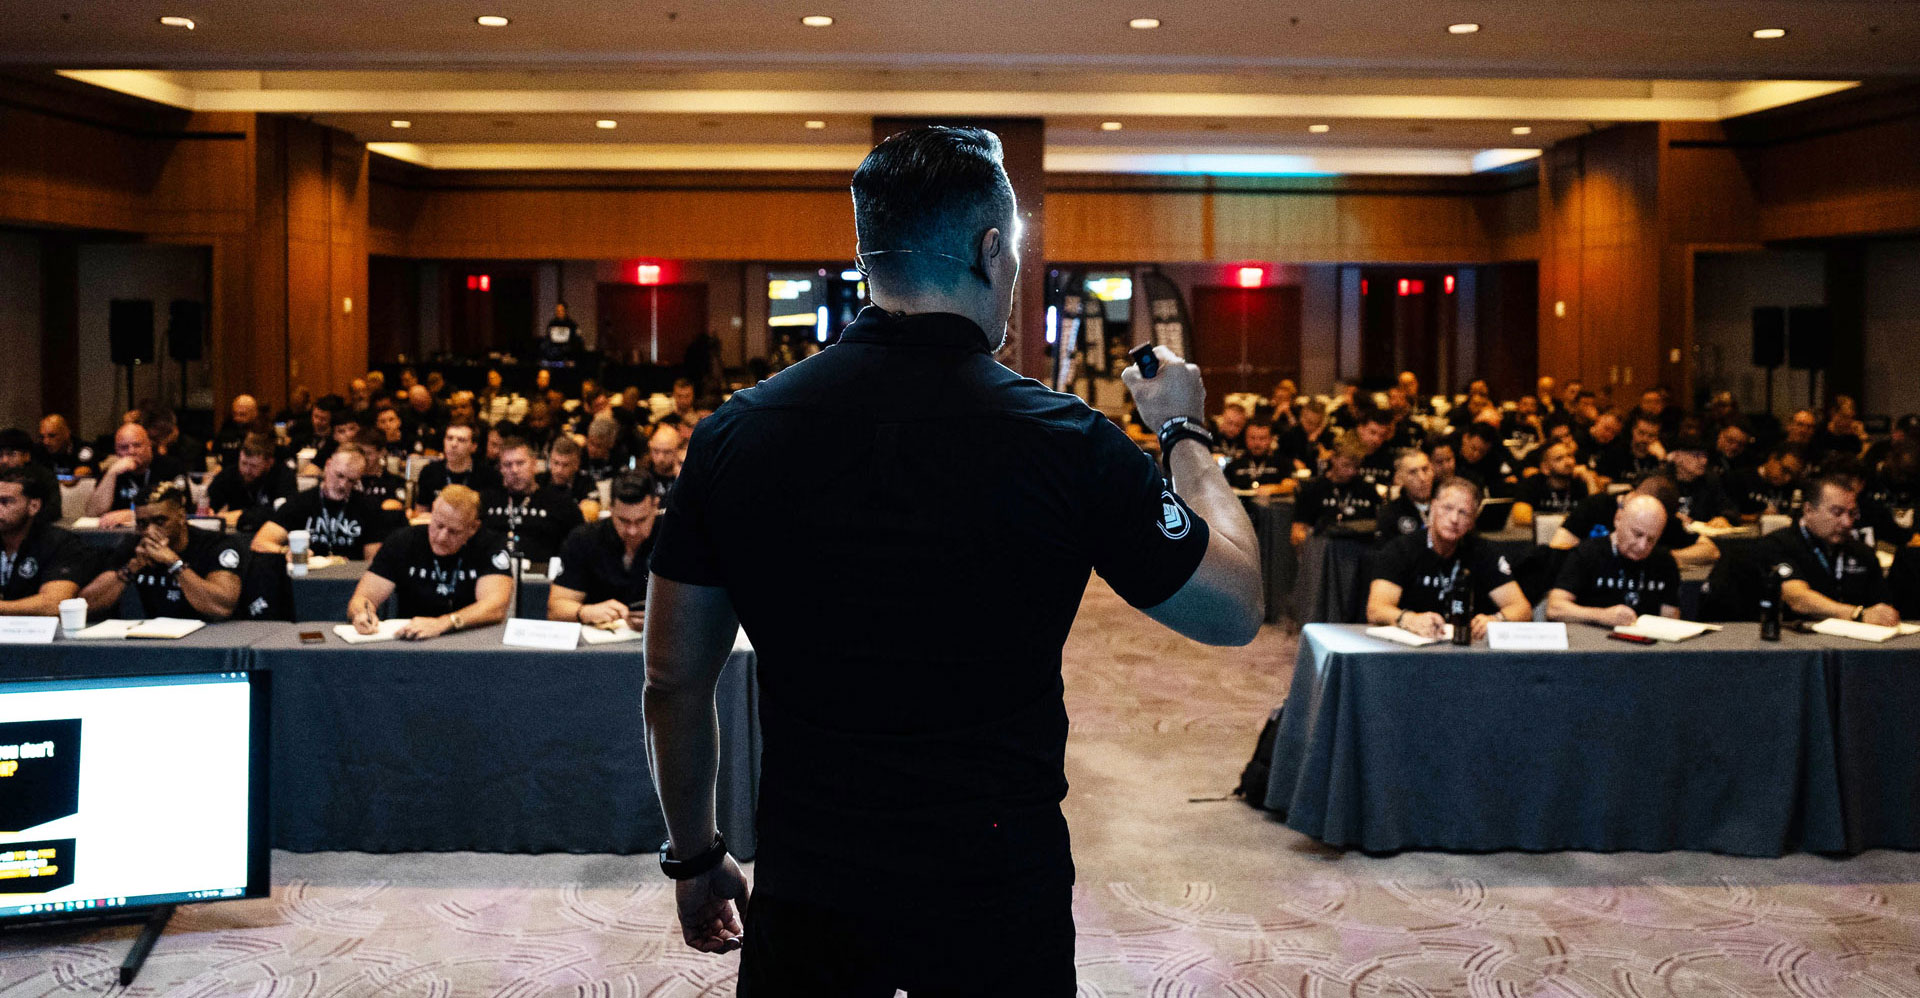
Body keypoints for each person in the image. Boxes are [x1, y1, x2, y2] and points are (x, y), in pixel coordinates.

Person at [642, 126, 1261, 990]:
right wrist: (1183, 430)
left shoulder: (735, 436)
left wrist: (695, 853)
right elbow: (1235, 607)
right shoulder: (1066, 442)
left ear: (867, 255)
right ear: (990, 251)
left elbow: (673, 680)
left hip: (813, 871)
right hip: (996, 879)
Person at [1365, 476, 1532, 641]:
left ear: (1472, 521)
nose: (1454, 519)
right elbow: (1376, 609)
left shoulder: (1482, 551)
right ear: (1432, 507)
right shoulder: (1400, 549)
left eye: (1463, 513)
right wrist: (1409, 619)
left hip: (1465, 647)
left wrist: (1496, 619)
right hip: (1410, 646)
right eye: (1447, 508)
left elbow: (1522, 608)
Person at [349, 484, 512, 640]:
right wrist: (361, 614)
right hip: (410, 638)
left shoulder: (491, 545)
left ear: (473, 528)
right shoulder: (403, 541)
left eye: (454, 532)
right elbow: (363, 597)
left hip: (471, 640)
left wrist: (443, 623)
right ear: (432, 512)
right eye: (438, 525)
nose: (442, 537)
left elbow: (495, 607)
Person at [80, 483, 241, 621]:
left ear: (181, 516)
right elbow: (85, 606)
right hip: (158, 636)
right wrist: (131, 568)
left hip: (211, 635)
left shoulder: (216, 544)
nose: (150, 531)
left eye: (160, 521)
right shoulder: (134, 545)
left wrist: (174, 563)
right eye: (142, 524)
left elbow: (222, 607)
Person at [1757, 475, 1899, 626]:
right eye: (1837, 512)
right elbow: (1797, 598)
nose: (1847, 522)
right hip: (1799, 634)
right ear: (1809, 510)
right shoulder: (1778, 544)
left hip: (1858, 636)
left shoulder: (1862, 552)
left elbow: (1882, 605)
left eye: (1852, 513)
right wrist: (1856, 614)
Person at [1545, 494, 1682, 625]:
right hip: (1591, 636)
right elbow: (1555, 608)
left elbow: (1670, 618)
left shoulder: (1664, 561)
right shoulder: (1588, 552)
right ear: (1618, 520)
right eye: (1637, 534)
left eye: (1651, 539)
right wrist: (1601, 616)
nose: (1642, 546)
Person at [548, 470, 657, 631]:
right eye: (624, 521)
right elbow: (555, 608)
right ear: (610, 509)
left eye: (641, 520)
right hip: (598, 639)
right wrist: (585, 612)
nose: (632, 531)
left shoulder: (673, 540)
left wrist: (662, 617)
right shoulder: (584, 539)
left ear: (655, 506)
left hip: (660, 638)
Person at [252, 447, 399, 561]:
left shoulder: (368, 507)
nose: (342, 485)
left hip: (349, 579)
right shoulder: (301, 502)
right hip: (307, 579)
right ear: (328, 465)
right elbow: (260, 542)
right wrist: (288, 552)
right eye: (339, 475)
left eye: (351, 481)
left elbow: (373, 561)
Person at [1552, 476, 1718, 567]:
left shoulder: (1662, 518)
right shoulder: (1595, 506)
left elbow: (1710, 550)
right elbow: (1558, 549)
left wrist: (1666, 558)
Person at [0, 467, 92, 616]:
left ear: (34, 506)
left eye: (5, 502)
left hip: (39, 628)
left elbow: (54, 604)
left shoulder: (61, 543)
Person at [478, 437, 583, 564]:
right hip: (493, 570)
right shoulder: (487, 501)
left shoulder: (560, 503)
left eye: (520, 463)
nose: (514, 470)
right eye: (508, 465)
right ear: (501, 469)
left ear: (534, 464)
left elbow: (580, 546)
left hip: (542, 572)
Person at [84, 423, 189, 527]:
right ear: (117, 451)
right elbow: (93, 513)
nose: (131, 451)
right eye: (124, 447)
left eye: (137, 445)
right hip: (118, 533)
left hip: (159, 529)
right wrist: (111, 474)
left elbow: (182, 507)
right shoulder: (113, 471)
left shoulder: (171, 467)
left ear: (149, 446)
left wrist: (133, 515)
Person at [1290, 437, 1379, 545]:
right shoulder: (1313, 489)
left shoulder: (1367, 489)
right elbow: (1298, 531)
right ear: (1333, 458)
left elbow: (1378, 527)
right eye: (1346, 465)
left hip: (1361, 548)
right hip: (1324, 547)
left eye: (1356, 467)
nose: (1351, 472)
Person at [206, 433, 297, 531]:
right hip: (236, 533)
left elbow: (286, 511)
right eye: (243, 463)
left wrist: (243, 515)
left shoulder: (283, 476)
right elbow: (209, 501)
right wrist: (208, 511)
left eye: (254, 466)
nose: (247, 471)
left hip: (270, 532)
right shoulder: (230, 474)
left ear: (269, 463)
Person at [414, 423, 499, 514]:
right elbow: (421, 512)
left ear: (473, 446)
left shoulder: (488, 475)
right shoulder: (429, 471)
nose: (453, 444)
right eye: (449, 438)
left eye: (461, 440)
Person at [1665, 432, 1738, 528]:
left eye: (1705, 456)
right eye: (1696, 455)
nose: (1704, 461)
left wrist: (1724, 518)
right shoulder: (1661, 481)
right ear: (1678, 457)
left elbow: (1730, 510)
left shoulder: (1710, 481)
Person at [1512, 440, 1590, 526]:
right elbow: (1520, 517)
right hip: (1544, 533)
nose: (1568, 462)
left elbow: (1597, 515)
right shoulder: (1532, 483)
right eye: (1559, 459)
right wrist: (1565, 522)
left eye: (1569, 456)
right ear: (1545, 468)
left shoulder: (1581, 482)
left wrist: (1590, 480)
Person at [0, 430, 61, 530]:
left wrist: (20, 519)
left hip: (36, 530)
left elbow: (54, 510)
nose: (4, 460)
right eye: (0, 455)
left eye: (11, 454)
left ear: (26, 456)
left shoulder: (44, 476)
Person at [1730, 447, 1806, 521]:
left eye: (1793, 475)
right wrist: (1757, 517)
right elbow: (1728, 514)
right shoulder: (1740, 479)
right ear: (1772, 459)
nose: (1787, 478)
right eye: (1785, 470)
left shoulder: (1792, 488)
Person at [1375, 448, 1434, 541]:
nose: (1422, 478)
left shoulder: (1447, 506)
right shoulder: (1390, 514)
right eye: (1413, 472)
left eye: (1425, 469)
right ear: (1399, 479)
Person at [540, 434, 602, 518]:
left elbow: (592, 513)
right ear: (550, 461)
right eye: (556, 463)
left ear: (576, 465)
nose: (559, 470)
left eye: (565, 465)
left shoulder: (587, 483)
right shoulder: (539, 481)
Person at [1222, 419, 1290, 493]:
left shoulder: (1281, 462)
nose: (1257, 443)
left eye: (1262, 438)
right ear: (1245, 439)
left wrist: (1275, 489)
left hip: (1273, 499)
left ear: (1270, 439)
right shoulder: (1234, 464)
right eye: (1252, 438)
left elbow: (1291, 485)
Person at [1454, 423, 1515, 496]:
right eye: (1473, 448)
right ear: (1465, 438)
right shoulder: (1450, 453)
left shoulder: (1491, 460)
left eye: (1482, 452)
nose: (1476, 455)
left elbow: (1495, 487)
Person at [211, 394, 268, 471]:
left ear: (254, 414)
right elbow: (215, 453)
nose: (237, 418)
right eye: (235, 414)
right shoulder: (227, 427)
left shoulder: (262, 431)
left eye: (242, 414)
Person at [1276, 399, 1333, 473]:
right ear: (1301, 418)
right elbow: (1278, 458)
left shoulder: (1327, 435)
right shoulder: (1289, 435)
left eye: (1317, 424)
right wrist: (1292, 462)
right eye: (1309, 422)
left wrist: (1330, 455)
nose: (1313, 427)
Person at [1351, 409, 1397, 490]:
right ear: (1360, 429)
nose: (1376, 439)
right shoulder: (1347, 456)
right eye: (1372, 432)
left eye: (1382, 435)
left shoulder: (1389, 460)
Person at [36, 414, 94, 479]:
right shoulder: (40, 450)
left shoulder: (84, 449)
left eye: (52, 436)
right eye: (42, 437)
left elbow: (81, 474)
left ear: (66, 433)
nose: (46, 442)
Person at [581, 415, 630, 482]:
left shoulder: (620, 456)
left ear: (611, 444)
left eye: (599, 446)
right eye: (591, 443)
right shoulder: (580, 455)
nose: (592, 449)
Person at [644, 422, 683, 500]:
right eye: (656, 451)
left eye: (667, 452)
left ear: (677, 450)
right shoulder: (642, 473)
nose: (661, 458)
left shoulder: (686, 474)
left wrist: (682, 479)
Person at [541, 301, 581, 365]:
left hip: (567, 351)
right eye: (557, 311)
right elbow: (548, 338)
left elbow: (576, 340)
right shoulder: (552, 324)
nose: (559, 312)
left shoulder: (572, 325)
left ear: (565, 311)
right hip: (554, 351)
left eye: (561, 310)